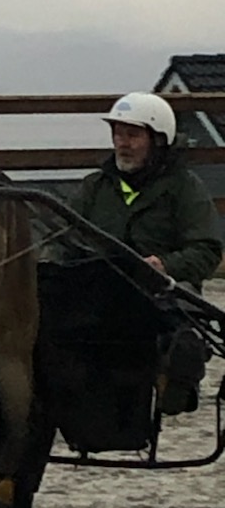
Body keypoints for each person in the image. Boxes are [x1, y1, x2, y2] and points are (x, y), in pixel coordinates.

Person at [72, 91, 223, 413]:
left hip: (164, 288)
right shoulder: (93, 187)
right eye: (117, 134)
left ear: (158, 140)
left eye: (132, 134)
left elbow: (207, 249)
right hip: (96, 284)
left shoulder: (185, 188)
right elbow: (60, 239)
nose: (122, 143)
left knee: (184, 332)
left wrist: (165, 265)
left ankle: (177, 384)